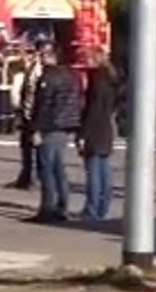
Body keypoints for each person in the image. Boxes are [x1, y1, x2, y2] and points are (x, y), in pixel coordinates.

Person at [30, 44, 83, 223]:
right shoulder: (72, 75)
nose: (40, 58)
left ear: (51, 57)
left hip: (50, 126)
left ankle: (47, 208)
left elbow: (43, 105)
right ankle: (62, 206)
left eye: (43, 55)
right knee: (59, 167)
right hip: (66, 125)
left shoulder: (49, 77)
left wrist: (37, 129)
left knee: (46, 169)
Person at [78, 49, 118, 221]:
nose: (87, 61)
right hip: (106, 128)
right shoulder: (111, 78)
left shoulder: (96, 80)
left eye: (89, 58)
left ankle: (92, 208)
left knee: (93, 172)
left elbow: (91, 109)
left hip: (94, 129)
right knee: (104, 170)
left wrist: (82, 134)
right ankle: (103, 207)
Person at [7, 38, 49, 190]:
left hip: (35, 113)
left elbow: (33, 91)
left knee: (36, 148)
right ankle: (26, 176)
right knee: (26, 147)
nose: (27, 55)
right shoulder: (30, 67)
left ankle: (35, 178)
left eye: (31, 52)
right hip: (27, 113)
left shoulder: (39, 69)